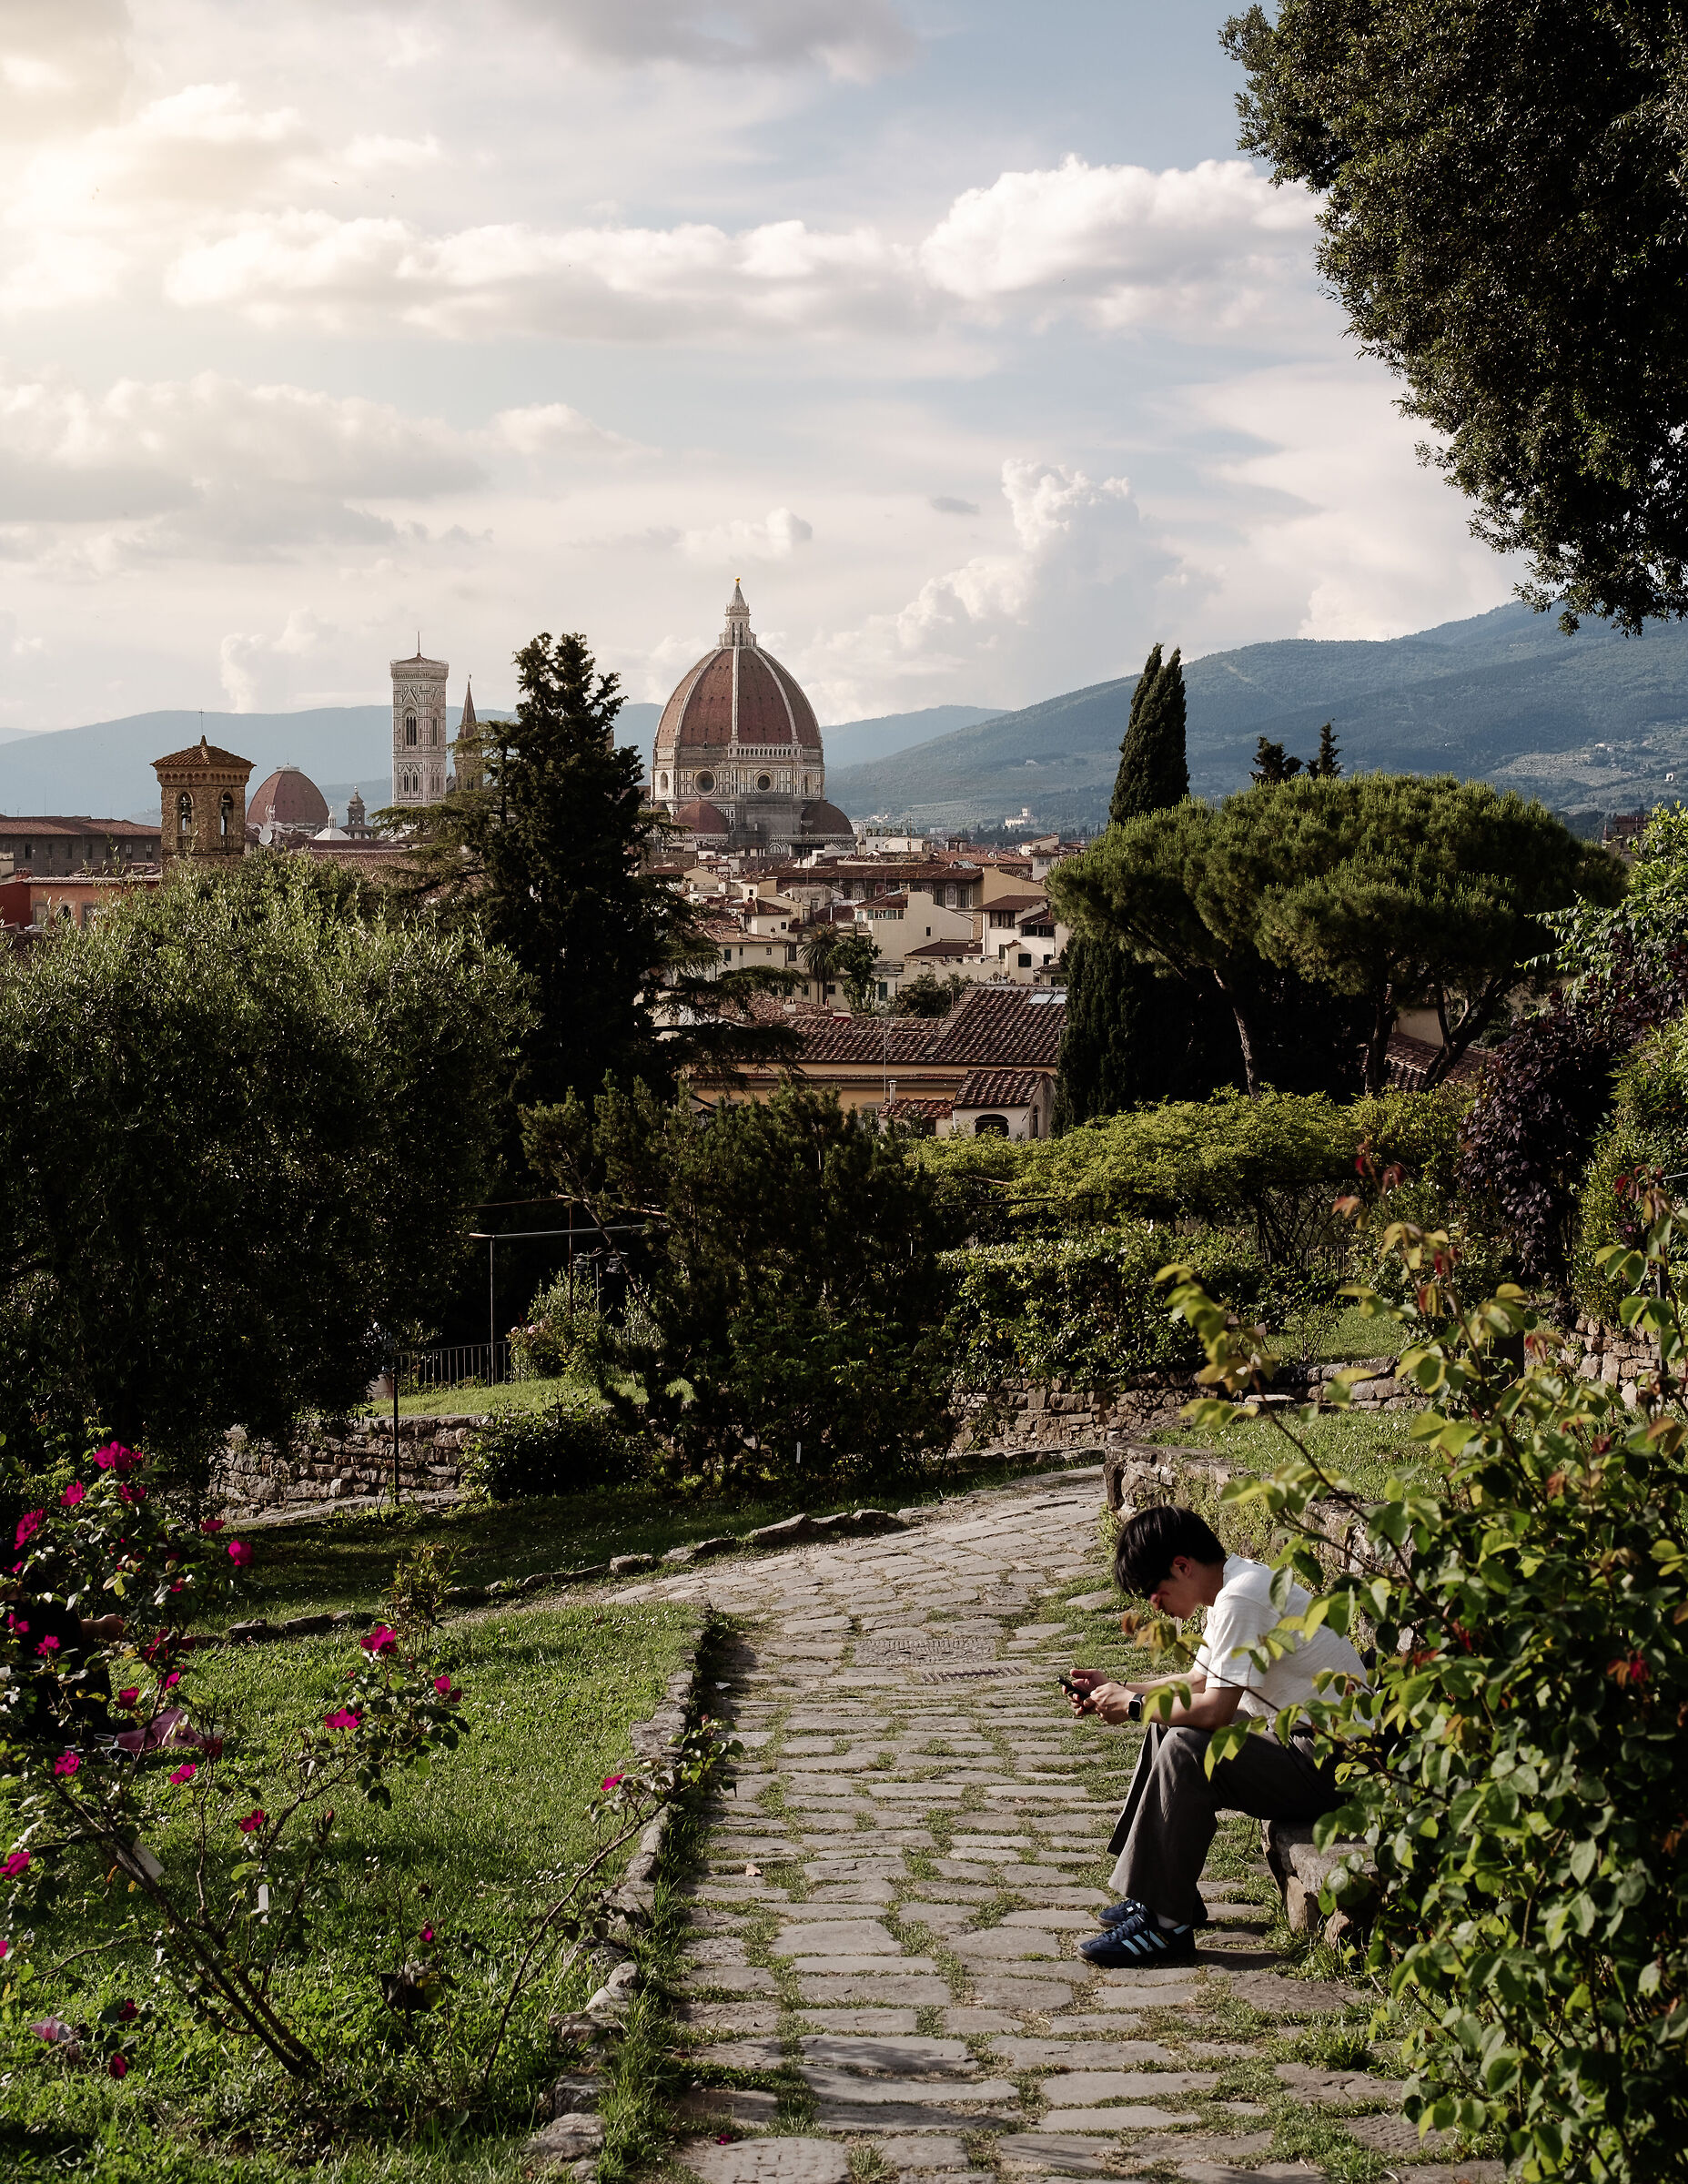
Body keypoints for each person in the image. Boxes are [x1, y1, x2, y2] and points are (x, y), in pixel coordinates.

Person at [1066, 1503, 1366, 1967]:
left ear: (1182, 1566)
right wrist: (1122, 1688)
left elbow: (1215, 1709)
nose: (1154, 1604)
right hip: (1300, 1742)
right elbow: (1199, 1681)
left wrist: (1135, 1707)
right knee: (1169, 1723)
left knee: (1186, 1747)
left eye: (1153, 1589)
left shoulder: (1240, 1600)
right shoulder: (1234, 1585)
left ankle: (1166, 1928)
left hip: (1330, 1764)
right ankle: (1165, 1893)